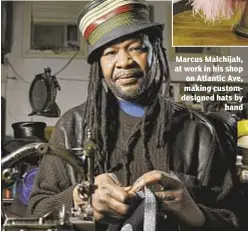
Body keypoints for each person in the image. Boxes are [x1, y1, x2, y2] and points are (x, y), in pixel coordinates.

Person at [27, 0, 245, 230]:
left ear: (155, 51)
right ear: (98, 66)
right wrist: (81, 198)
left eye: (136, 48)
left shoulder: (198, 131)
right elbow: (35, 211)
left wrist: (195, 213)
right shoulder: (71, 128)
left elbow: (235, 220)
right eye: (110, 53)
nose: (124, 62)